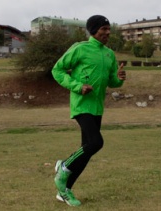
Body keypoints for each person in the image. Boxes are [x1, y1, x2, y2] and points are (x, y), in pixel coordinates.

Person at [51, 15, 126, 206]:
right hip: (81, 104)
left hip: (97, 107)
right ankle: (64, 165)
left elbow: (112, 81)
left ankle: (64, 190)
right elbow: (57, 70)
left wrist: (119, 77)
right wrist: (77, 86)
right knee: (95, 142)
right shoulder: (80, 48)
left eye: (109, 29)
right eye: (103, 29)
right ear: (93, 30)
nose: (108, 33)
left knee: (86, 150)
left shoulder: (109, 54)